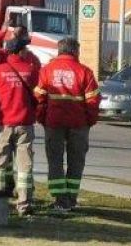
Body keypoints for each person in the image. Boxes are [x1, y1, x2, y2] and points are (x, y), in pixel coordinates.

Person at [34, 38, 100, 212]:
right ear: (75, 52)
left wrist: (43, 118)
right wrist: (89, 121)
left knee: (55, 161)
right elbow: (93, 102)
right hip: (79, 125)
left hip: (53, 123)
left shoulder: (47, 70)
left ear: (59, 50)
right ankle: (71, 198)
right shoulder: (85, 72)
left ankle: (59, 199)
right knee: (76, 162)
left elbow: (39, 99)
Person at [0, 29, 41, 216]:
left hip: (2, 125)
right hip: (25, 124)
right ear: (20, 51)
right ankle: (24, 204)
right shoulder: (31, 70)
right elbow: (37, 93)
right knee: (24, 166)